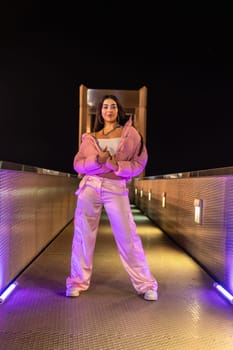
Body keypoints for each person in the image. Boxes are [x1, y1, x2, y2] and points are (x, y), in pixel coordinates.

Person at [66, 94, 158, 301]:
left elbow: (139, 163)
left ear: (119, 110)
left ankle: (146, 284)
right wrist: (96, 159)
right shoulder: (90, 137)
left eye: (113, 106)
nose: (109, 110)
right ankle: (77, 281)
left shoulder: (131, 134)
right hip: (90, 185)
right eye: (105, 106)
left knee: (128, 235)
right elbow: (78, 164)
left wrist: (117, 166)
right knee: (82, 234)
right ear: (100, 111)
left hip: (115, 187)